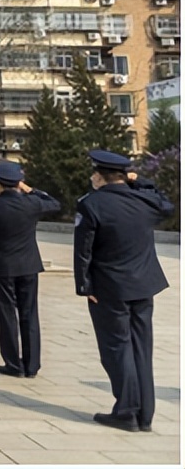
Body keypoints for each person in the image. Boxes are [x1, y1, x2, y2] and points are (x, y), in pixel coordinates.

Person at [75, 150, 173, 433]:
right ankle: (145, 415)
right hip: (144, 286)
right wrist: (141, 181)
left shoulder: (91, 204)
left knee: (117, 348)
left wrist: (84, 285)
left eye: (94, 173)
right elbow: (168, 206)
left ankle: (126, 411)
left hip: (109, 288)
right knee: (142, 349)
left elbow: (83, 250)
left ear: (100, 175)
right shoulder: (145, 199)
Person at [0, 161, 60, 378]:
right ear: (18, 183)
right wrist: (30, 189)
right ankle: (32, 365)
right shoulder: (32, 203)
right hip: (29, 265)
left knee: (7, 315)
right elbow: (54, 203)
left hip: (3, 266)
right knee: (29, 314)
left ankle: (13, 363)